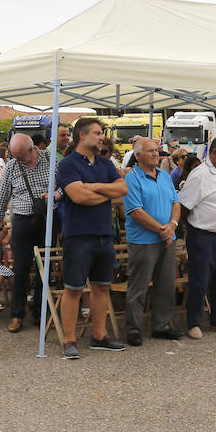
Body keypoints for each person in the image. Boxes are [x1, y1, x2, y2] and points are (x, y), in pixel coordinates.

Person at [55, 118, 127, 359]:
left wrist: (92, 188)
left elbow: (123, 189)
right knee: (74, 288)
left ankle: (99, 335)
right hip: (78, 236)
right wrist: (106, 193)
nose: (102, 137)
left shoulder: (106, 163)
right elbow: (77, 196)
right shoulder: (68, 164)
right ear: (82, 136)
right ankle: (69, 340)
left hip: (104, 235)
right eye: (97, 133)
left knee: (101, 287)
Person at [177, 136, 216, 339]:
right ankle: (194, 323)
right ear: (214, 153)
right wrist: (191, 231)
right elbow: (184, 206)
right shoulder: (200, 174)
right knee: (200, 280)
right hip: (204, 236)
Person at [122, 138, 185, 345]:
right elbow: (136, 212)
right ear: (138, 155)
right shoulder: (132, 179)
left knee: (166, 284)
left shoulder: (165, 176)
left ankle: (162, 325)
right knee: (139, 286)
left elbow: (176, 202)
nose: (155, 154)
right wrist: (161, 229)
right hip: (144, 241)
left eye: (157, 151)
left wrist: (172, 226)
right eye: (150, 151)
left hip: (167, 238)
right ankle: (133, 329)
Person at [0, 133, 53, 334]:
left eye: (20, 155)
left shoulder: (50, 160)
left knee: (45, 269)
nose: (16, 159)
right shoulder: (12, 165)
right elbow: (2, 197)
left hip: (47, 219)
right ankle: (17, 314)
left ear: (31, 149)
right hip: (22, 219)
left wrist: (53, 195)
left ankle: (41, 313)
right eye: (14, 155)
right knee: (21, 269)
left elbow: (64, 185)